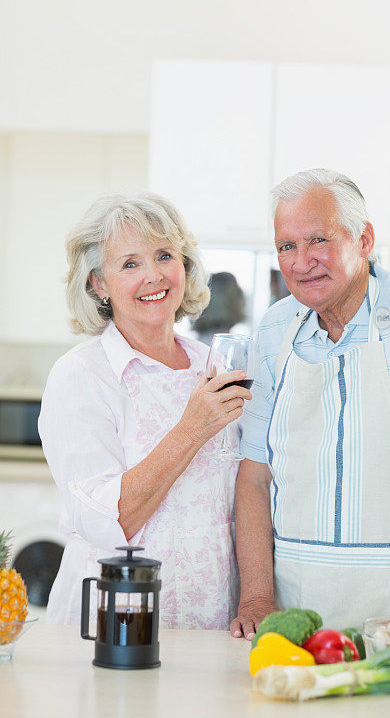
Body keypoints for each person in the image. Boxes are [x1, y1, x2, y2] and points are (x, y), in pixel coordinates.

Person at [231, 168, 390, 639]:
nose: (302, 261)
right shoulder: (274, 330)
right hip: (293, 621)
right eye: (286, 247)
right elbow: (254, 477)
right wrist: (255, 597)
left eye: (318, 240)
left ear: (364, 238)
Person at [39, 193, 252, 628]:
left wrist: (256, 597)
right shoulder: (81, 376)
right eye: (130, 264)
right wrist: (192, 429)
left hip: (211, 620)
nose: (154, 276)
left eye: (164, 256)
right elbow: (108, 522)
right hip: (117, 623)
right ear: (99, 283)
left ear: (184, 265)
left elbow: (242, 500)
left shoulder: (210, 366)